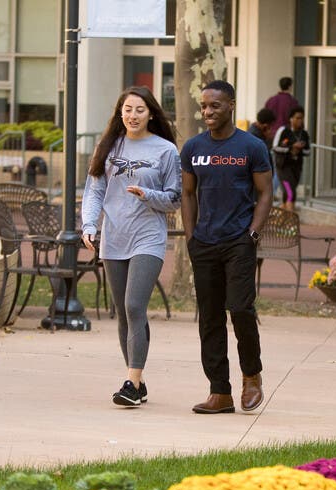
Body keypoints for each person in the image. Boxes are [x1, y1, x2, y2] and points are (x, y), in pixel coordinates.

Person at [80, 86, 181, 408]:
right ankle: (137, 382)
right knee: (124, 313)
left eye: (139, 110)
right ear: (119, 113)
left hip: (147, 237)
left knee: (135, 305)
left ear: (151, 113)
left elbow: (175, 199)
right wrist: (89, 225)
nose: (133, 115)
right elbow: (95, 191)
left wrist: (148, 195)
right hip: (114, 238)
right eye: (127, 109)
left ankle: (131, 384)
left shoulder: (166, 150)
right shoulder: (108, 147)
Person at [180, 80, 274, 414]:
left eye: (215, 105)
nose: (207, 111)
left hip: (238, 241)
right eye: (204, 106)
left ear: (230, 105)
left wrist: (252, 234)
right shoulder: (193, 148)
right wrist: (191, 237)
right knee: (209, 318)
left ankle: (251, 375)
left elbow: (265, 192)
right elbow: (187, 193)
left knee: (240, 308)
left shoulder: (251, 146)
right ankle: (219, 392)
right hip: (204, 243)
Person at [270, 106, 311, 212]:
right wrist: (291, 148)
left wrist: (300, 149)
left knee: (288, 191)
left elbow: (308, 151)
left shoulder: (304, 134)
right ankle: (290, 214)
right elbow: (275, 147)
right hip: (283, 167)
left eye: (302, 118)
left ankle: (281, 213)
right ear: (291, 119)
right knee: (290, 192)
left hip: (296, 167)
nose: (300, 121)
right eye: (297, 118)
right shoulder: (283, 130)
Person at [262, 77, 301, 142]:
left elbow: (264, 118)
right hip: (286, 136)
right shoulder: (293, 102)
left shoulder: (271, 100)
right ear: (290, 86)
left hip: (271, 134)